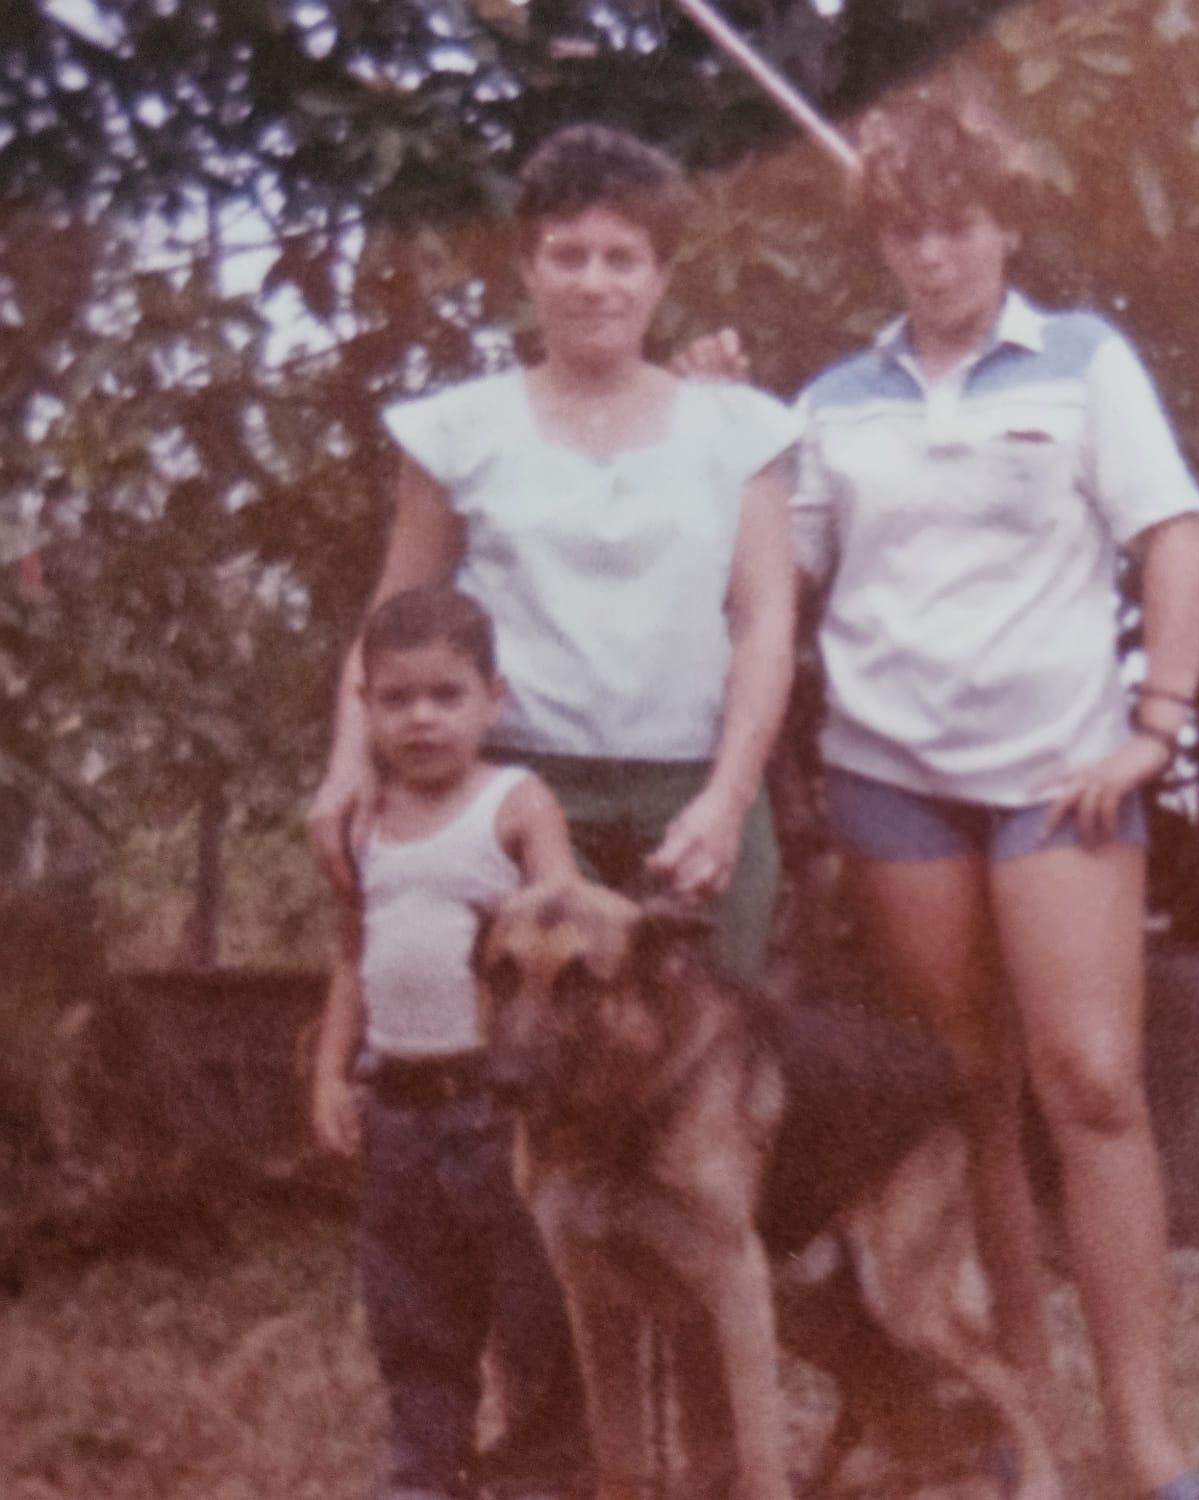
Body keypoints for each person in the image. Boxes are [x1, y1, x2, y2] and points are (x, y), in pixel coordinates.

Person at [791, 92, 1199, 1500]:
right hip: (891, 782)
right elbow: (777, 588)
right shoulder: (832, 403)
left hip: (1063, 772)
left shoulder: (1085, 364)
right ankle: (1022, 1415)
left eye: (960, 225)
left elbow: (1173, 537)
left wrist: (1156, 724)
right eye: (909, 231)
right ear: (884, 243)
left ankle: (1146, 1438)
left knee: (1092, 1085)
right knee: (968, 1095)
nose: (936, 256)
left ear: (1006, 226)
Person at [306, 122, 797, 980]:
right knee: (524, 1066)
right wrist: (348, 764)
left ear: (662, 276)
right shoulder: (459, 429)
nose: (594, 283)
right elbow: (392, 614)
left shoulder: (741, 428)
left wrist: (727, 799)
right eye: (567, 256)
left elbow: (764, 626)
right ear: (528, 268)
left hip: (690, 792)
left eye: (622, 257)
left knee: (701, 1066)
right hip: (514, 792)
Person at [310, 586, 589, 1500]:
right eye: (396, 699)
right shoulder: (366, 822)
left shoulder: (515, 803)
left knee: (532, 1298)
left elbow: (565, 940)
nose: (421, 718)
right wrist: (329, 1073)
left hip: (496, 1103)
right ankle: (426, 1469)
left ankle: (548, 1468)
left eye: (446, 695)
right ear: (368, 709)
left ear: (492, 701)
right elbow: (355, 957)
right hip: (398, 1102)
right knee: (410, 1305)